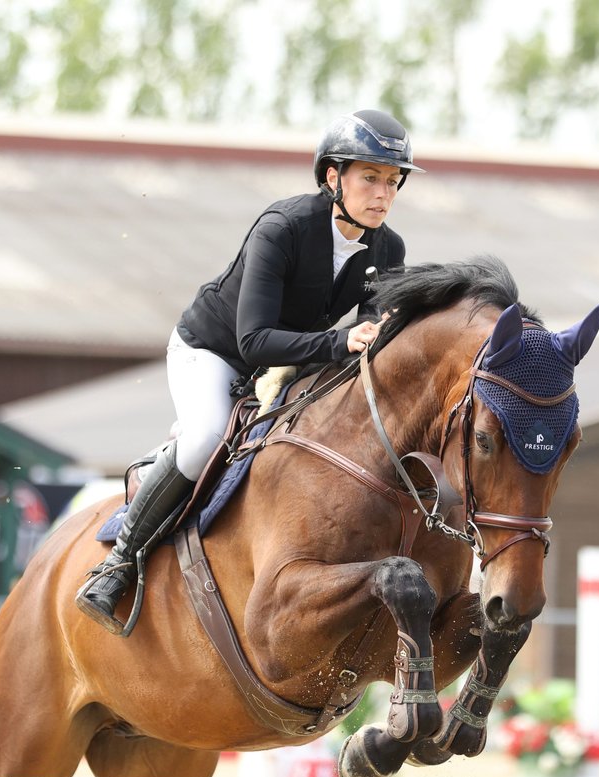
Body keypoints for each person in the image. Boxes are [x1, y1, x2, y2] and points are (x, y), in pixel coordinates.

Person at [76, 109, 424, 635]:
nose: (383, 194)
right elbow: (254, 338)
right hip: (211, 352)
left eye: (392, 182)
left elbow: (370, 334)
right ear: (333, 177)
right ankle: (118, 562)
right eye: (369, 178)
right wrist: (339, 340)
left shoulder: (388, 249)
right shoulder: (282, 228)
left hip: (285, 365)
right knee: (207, 437)